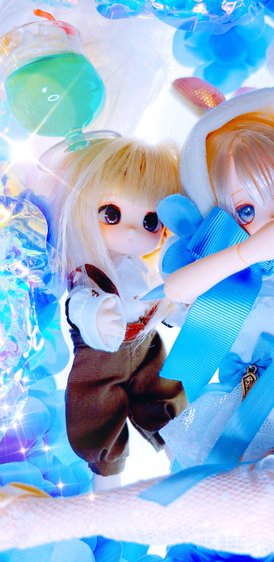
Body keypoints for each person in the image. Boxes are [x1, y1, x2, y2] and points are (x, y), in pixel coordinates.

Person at [0, 89, 274, 556]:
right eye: (246, 210)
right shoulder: (227, 277)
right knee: (268, 500)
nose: (270, 219)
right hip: (250, 401)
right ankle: (54, 519)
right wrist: (247, 251)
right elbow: (176, 288)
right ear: (221, 214)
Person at [42, 135, 187, 489]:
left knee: (164, 393)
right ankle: (108, 485)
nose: (133, 233)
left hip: (146, 342)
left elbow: (157, 296)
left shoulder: (143, 266)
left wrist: (175, 307)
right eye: (112, 214)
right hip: (101, 355)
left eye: (151, 221)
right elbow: (79, 303)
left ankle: (184, 458)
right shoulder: (87, 270)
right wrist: (96, 315)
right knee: (98, 413)